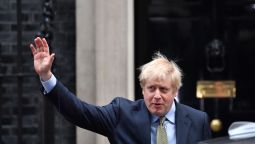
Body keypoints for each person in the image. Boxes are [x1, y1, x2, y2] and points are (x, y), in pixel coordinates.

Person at [30, 37, 211, 144]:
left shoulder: (198, 120)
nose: (157, 96)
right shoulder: (120, 114)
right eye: (151, 89)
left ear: (175, 91)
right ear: (142, 90)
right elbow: (79, 112)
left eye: (163, 89)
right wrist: (46, 76)